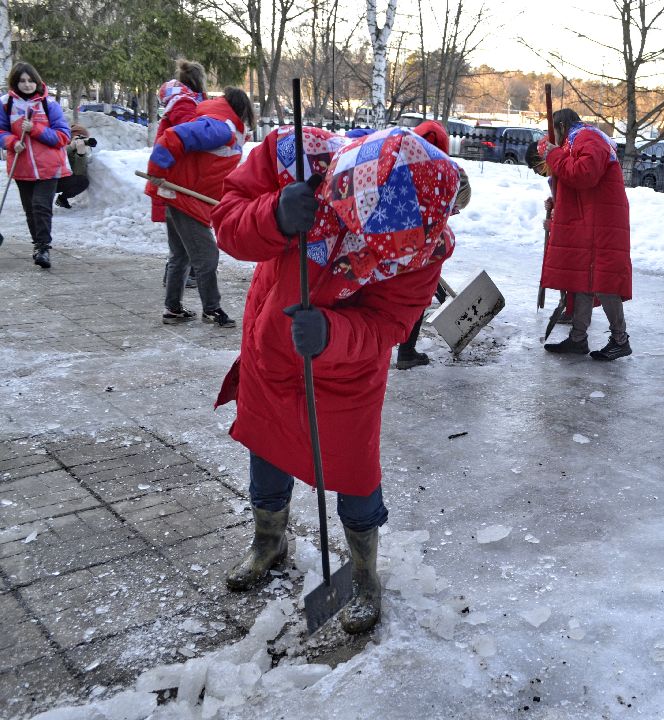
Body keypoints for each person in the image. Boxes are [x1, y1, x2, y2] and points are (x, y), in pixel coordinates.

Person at [210, 126, 458, 634]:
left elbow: (390, 323)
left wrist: (332, 332)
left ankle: (364, 576)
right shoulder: (294, 158)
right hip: (272, 350)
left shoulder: (425, 246)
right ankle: (268, 542)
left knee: (354, 472)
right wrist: (275, 214)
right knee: (266, 447)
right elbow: (227, 223)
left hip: (348, 375)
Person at [147, 87, 253, 328]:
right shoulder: (220, 127)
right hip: (185, 199)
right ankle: (212, 309)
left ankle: (173, 309)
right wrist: (157, 170)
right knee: (207, 256)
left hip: (183, 196)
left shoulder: (222, 126)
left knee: (181, 255)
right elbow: (172, 137)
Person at [537, 108, 633, 361]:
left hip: (603, 221)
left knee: (604, 279)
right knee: (585, 277)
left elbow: (584, 174)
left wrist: (554, 154)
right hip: (593, 219)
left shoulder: (587, 137)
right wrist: (559, 199)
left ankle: (620, 339)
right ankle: (578, 338)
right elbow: (579, 181)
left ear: (561, 126)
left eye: (553, 132)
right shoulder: (580, 139)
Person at [395, 119, 470, 370]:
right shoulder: (439, 173)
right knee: (418, 294)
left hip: (393, 240)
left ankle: (399, 348)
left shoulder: (404, 159)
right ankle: (406, 352)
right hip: (414, 242)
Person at [0, 62, 71, 268]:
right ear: (15, 82)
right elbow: (1, 132)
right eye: (22, 81)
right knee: (30, 209)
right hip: (21, 167)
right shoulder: (6, 104)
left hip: (49, 167)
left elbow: (63, 136)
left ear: (37, 81)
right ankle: (38, 245)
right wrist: (12, 142)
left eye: (31, 80)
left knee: (41, 206)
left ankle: (43, 248)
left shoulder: (49, 104)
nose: (27, 84)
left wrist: (35, 129)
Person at [149, 60, 206, 290]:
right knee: (186, 231)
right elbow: (189, 137)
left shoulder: (185, 102)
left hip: (177, 176)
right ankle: (180, 278)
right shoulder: (185, 104)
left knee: (182, 233)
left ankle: (179, 279)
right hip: (178, 177)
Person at [55, 124, 95, 209]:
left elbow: (78, 173)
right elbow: (55, 158)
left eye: (83, 138)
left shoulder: (80, 149)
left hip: (61, 180)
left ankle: (62, 199)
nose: (80, 140)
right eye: (78, 137)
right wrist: (70, 147)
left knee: (82, 181)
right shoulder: (58, 142)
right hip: (47, 179)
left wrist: (80, 155)